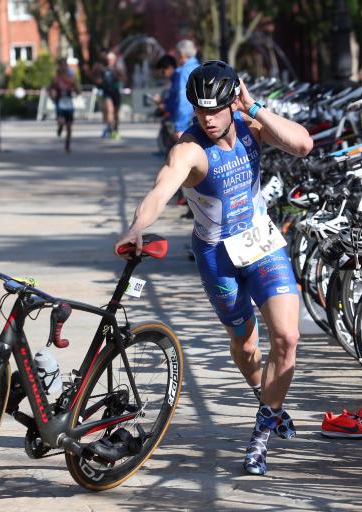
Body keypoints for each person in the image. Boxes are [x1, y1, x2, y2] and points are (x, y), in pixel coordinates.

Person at [114, 61, 313, 476]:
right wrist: (136, 226)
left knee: (287, 337)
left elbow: (302, 145)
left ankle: (260, 436)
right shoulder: (189, 150)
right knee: (244, 347)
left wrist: (254, 107)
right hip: (216, 256)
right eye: (200, 110)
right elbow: (160, 190)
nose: (207, 119)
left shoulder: (251, 125)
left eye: (216, 110)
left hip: (260, 243)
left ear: (233, 101)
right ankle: (268, 402)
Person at [165, 40, 200, 137]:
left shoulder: (184, 72)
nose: (175, 57)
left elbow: (183, 101)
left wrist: (180, 127)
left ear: (182, 54)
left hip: (187, 124)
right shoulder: (199, 68)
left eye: (176, 54)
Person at [49, 58, 81, 153]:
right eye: (61, 66)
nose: (63, 67)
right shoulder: (56, 79)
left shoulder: (72, 78)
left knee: (69, 127)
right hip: (60, 103)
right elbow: (49, 89)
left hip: (69, 104)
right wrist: (53, 97)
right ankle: (60, 127)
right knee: (61, 122)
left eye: (65, 65)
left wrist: (75, 87)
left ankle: (67, 146)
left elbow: (78, 91)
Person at [95, 51, 125, 140]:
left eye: (111, 59)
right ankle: (110, 128)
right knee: (109, 110)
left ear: (114, 60)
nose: (110, 61)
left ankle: (115, 128)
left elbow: (123, 78)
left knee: (116, 113)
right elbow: (97, 79)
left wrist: (118, 77)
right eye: (108, 59)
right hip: (106, 93)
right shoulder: (102, 69)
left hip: (115, 92)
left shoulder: (117, 69)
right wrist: (99, 81)